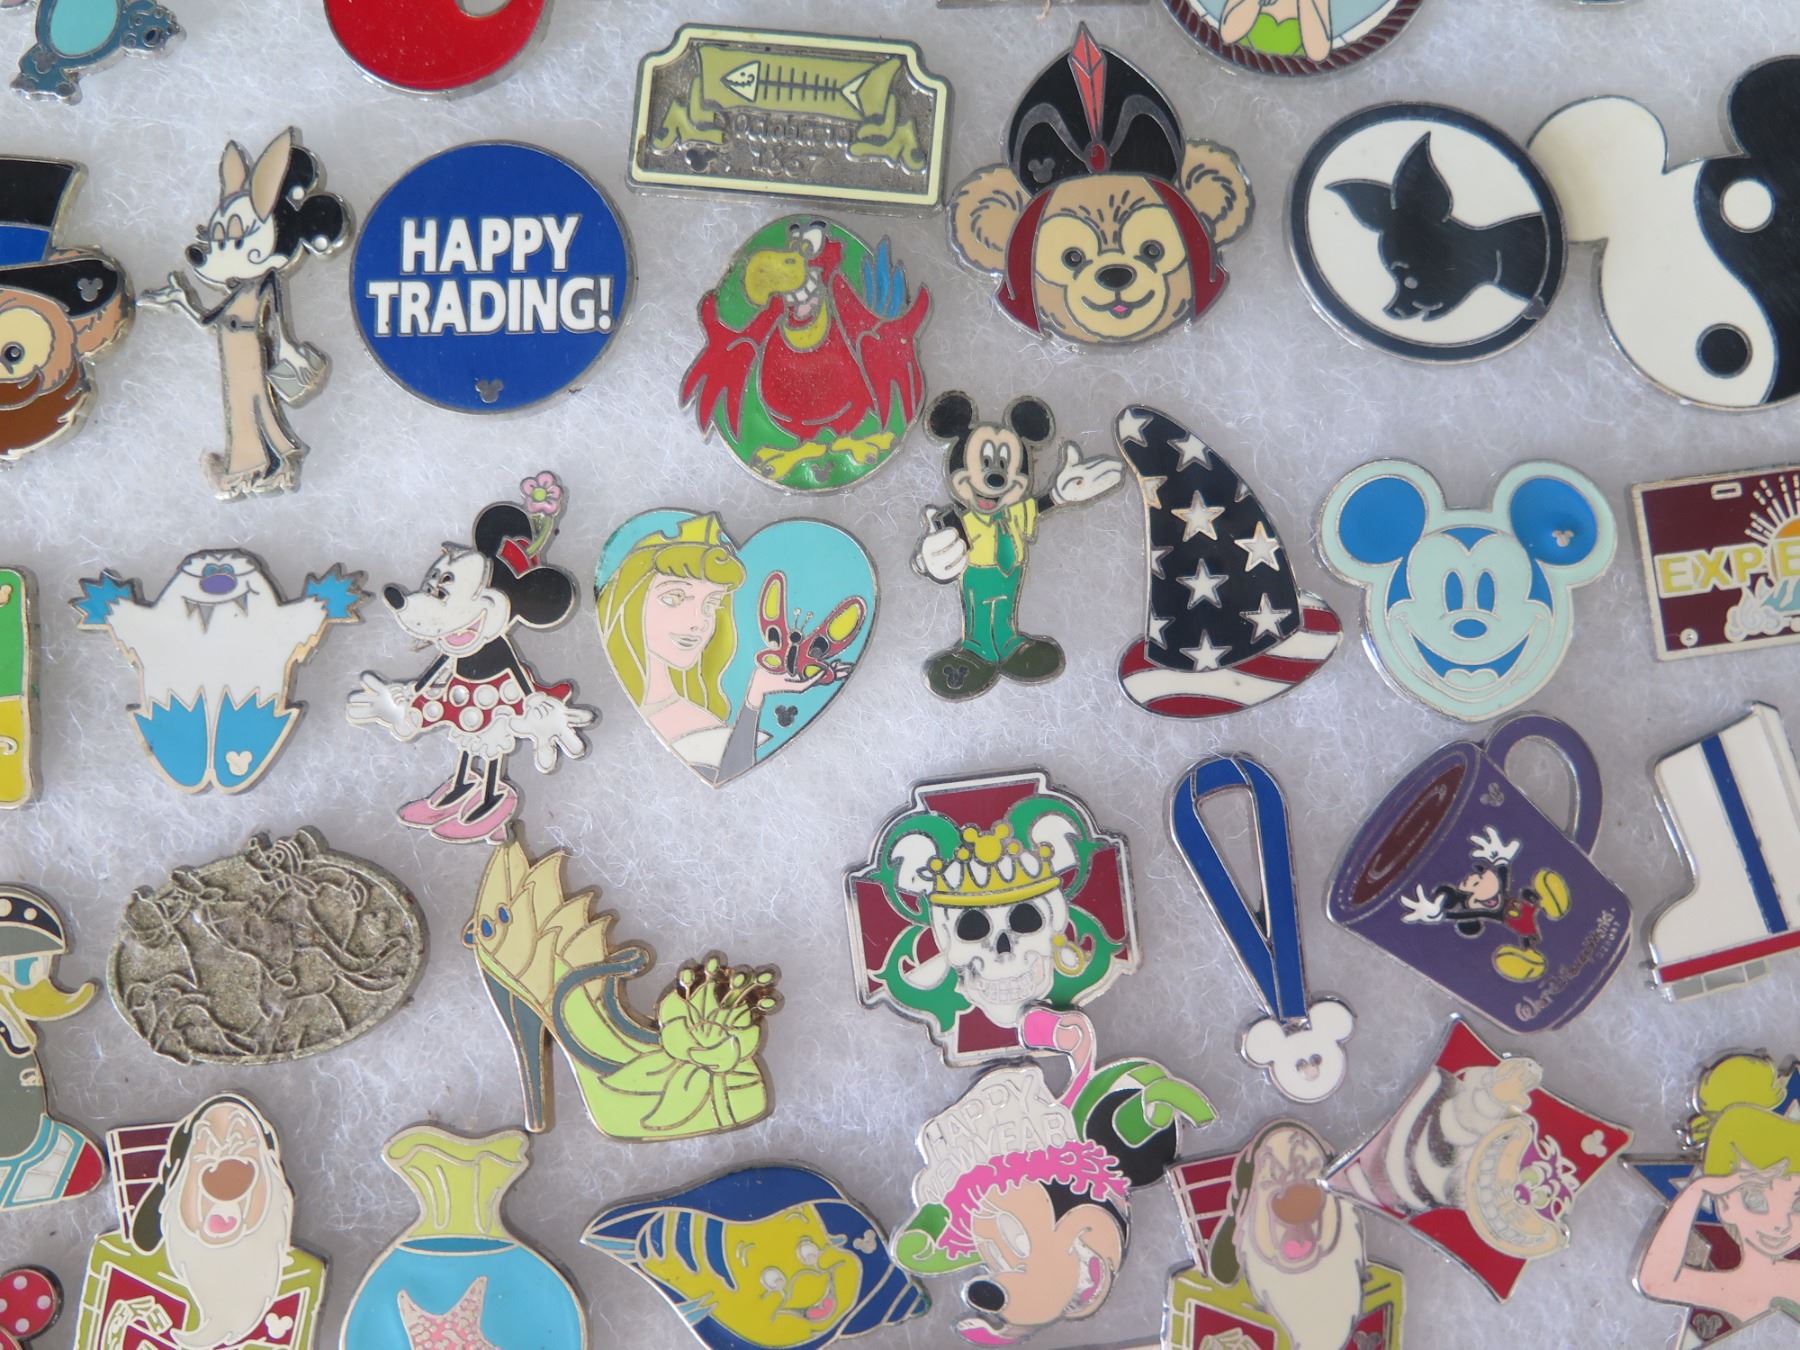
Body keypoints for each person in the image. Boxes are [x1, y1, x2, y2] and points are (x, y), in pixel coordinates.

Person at [596, 515, 819, 781]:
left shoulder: (699, 722)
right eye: (674, 597)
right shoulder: (617, 702)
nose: (699, 622)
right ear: (631, 600)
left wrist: (754, 697)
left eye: (711, 604)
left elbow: (728, 771)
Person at [1638, 1054, 1800, 1325]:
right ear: (1724, 1204)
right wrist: (1698, 1189)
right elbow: (1655, 1281)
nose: (1780, 1223)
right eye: (1755, 1201)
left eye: (1798, 1205)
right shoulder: (1722, 1286)